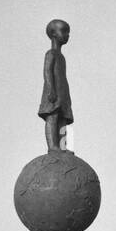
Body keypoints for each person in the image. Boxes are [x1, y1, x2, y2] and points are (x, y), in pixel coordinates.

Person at [39, 19, 73, 151]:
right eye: (63, 31)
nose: (67, 35)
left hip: (63, 92)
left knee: (63, 119)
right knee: (52, 116)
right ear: (53, 33)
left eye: (68, 32)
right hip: (53, 91)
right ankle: (53, 146)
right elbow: (47, 71)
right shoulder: (51, 54)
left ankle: (62, 146)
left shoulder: (62, 57)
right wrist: (51, 88)